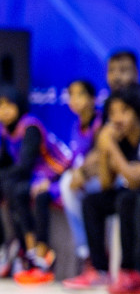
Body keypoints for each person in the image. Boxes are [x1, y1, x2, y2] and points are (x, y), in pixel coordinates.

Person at [62, 89, 140, 291]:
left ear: (137, 113)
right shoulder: (120, 138)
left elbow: (137, 179)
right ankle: (99, 270)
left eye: (124, 111)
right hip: (134, 193)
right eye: (112, 113)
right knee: (93, 202)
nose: (117, 118)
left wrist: (111, 147)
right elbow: (106, 183)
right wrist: (105, 148)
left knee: (128, 199)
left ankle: (134, 272)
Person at [0, 85, 72, 282]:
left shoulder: (30, 126)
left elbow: (25, 164)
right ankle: (19, 251)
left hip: (56, 173)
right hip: (32, 176)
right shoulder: (5, 130)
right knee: (11, 189)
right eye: (0, 106)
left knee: (25, 191)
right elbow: (6, 162)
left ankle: (40, 252)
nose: (3, 110)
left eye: (8, 105)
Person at [57, 79, 104, 279]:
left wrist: (82, 173)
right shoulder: (76, 125)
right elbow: (73, 160)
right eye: (71, 95)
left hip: (106, 178)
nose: (74, 100)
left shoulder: (101, 122)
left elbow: (102, 156)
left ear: (93, 99)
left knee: (69, 186)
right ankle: (86, 257)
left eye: (80, 94)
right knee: (62, 186)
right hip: (82, 179)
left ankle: (91, 257)